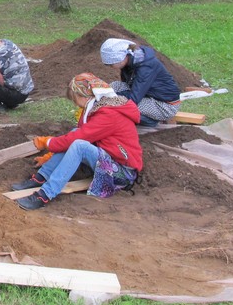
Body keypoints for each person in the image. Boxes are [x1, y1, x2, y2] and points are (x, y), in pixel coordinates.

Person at [14, 73, 143, 210]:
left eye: (75, 99)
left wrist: (48, 143)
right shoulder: (100, 106)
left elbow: (77, 139)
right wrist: (50, 156)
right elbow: (77, 134)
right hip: (109, 160)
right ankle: (42, 177)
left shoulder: (109, 114)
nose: (76, 104)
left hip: (122, 173)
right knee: (76, 134)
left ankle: (45, 194)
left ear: (84, 96)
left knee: (79, 145)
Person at [100, 37, 181, 127]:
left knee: (120, 104)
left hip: (165, 105)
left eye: (111, 64)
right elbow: (129, 86)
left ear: (120, 58)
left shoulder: (146, 68)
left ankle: (149, 121)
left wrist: (110, 98)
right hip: (148, 95)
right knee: (115, 86)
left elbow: (133, 99)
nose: (111, 67)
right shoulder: (131, 60)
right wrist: (105, 94)